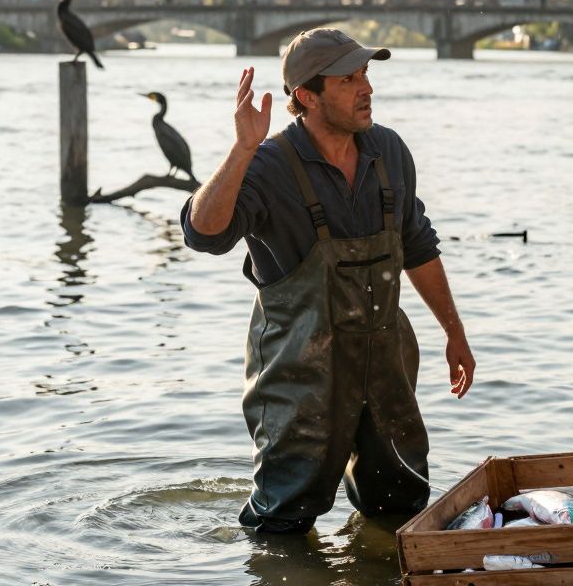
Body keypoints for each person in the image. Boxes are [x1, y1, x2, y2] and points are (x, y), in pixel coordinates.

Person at [181, 28, 476, 534]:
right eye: (348, 79)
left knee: (400, 509)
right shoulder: (267, 164)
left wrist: (454, 332)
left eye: (366, 74)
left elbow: (418, 245)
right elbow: (203, 234)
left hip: (387, 371)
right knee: (282, 525)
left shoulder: (389, 151)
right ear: (306, 96)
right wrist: (241, 149)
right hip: (299, 377)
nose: (367, 88)